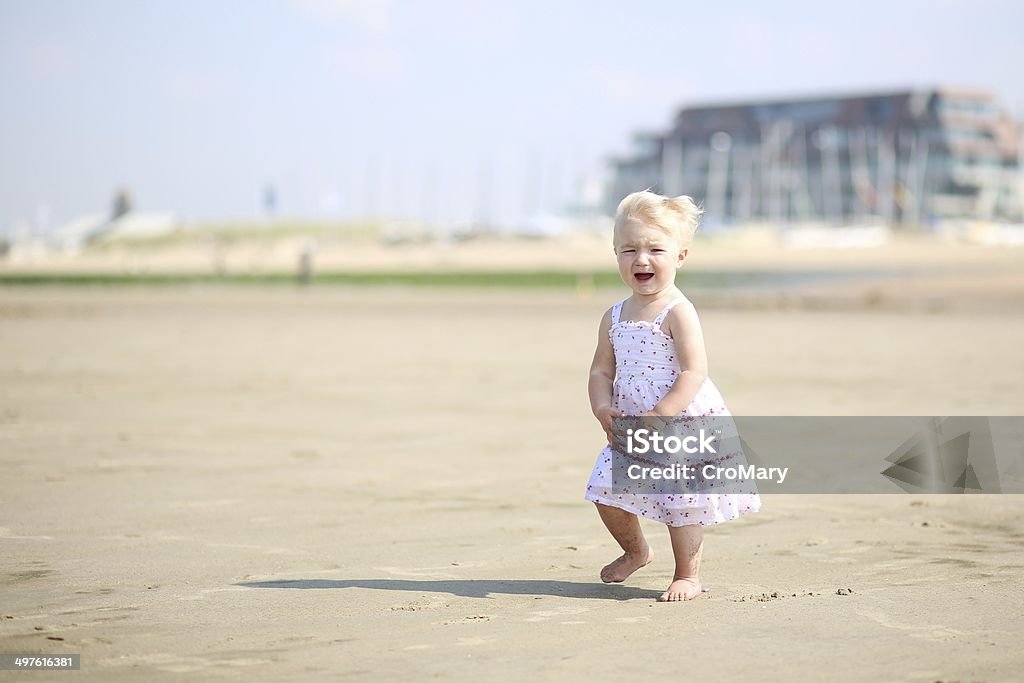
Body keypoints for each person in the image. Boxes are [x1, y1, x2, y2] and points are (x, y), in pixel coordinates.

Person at [585, 190, 760, 602]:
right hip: (629, 425)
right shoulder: (614, 315)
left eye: (655, 250)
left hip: (678, 422)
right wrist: (601, 407)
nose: (641, 260)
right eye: (629, 249)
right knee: (605, 491)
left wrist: (661, 414)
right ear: (615, 254)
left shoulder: (678, 310)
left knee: (682, 501)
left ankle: (687, 575)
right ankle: (636, 550)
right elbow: (600, 369)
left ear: (680, 256)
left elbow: (694, 371)